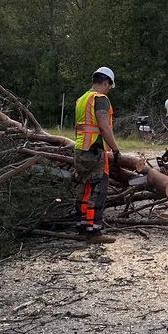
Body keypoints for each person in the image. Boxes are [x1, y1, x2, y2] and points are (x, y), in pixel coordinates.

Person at [73, 67, 121, 237]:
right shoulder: (100, 99)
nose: (109, 89)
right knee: (98, 188)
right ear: (106, 82)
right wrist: (115, 149)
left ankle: (82, 225)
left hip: (80, 149)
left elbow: (79, 128)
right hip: (94, 150)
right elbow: (103, 126)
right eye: (110, 85)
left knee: (84, 187)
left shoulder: (81, 99)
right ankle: (94, 229)